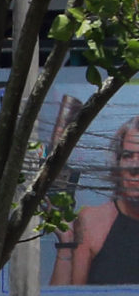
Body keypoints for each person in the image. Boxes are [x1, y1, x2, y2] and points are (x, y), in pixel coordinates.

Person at [57, 122, 139, 286]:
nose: (135, 166)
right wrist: (66, 244)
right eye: (127, 156)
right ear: (117, 163)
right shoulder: (92, 222)